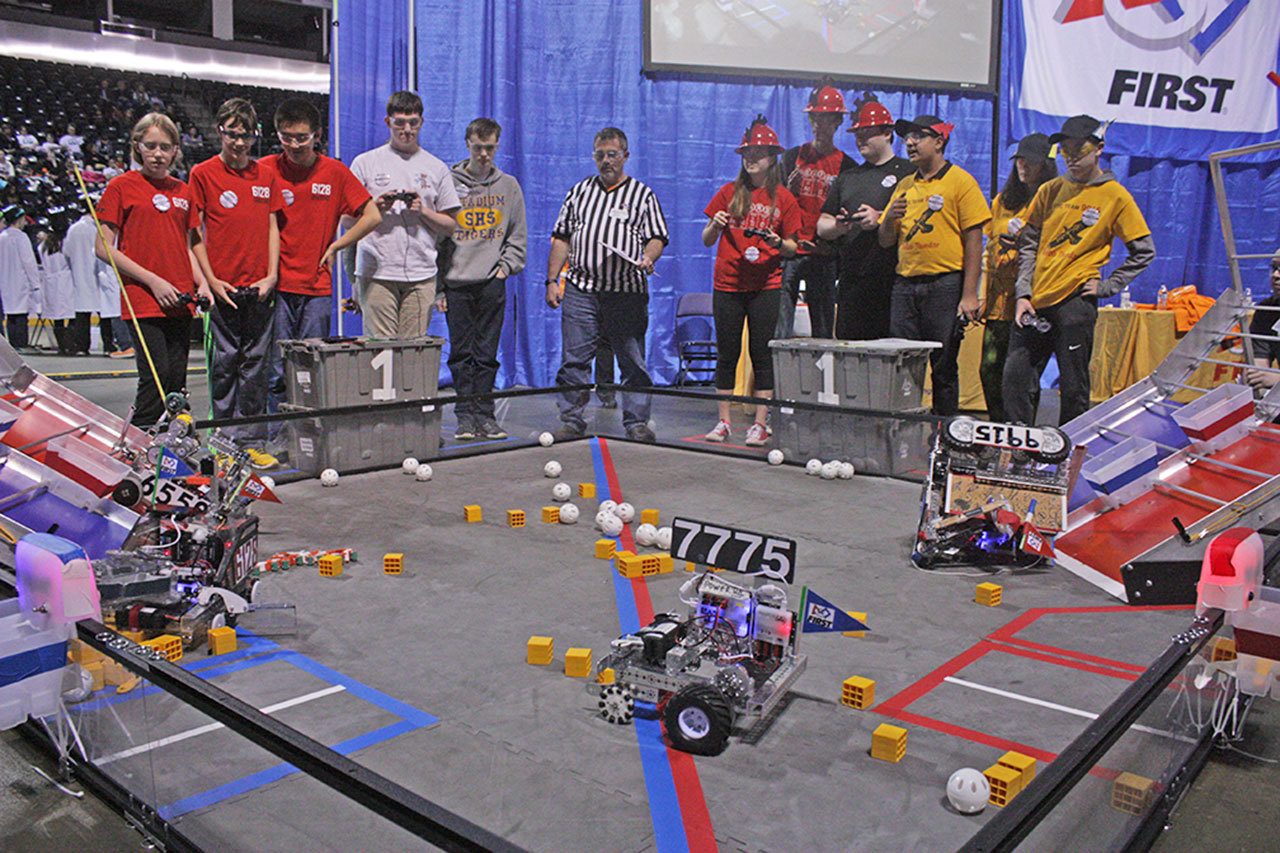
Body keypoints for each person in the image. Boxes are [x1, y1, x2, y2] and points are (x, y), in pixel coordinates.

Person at [1004, 115, 1155, 426]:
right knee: (1016, 377)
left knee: (1074, 385)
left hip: (1075, 302)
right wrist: (1023, 293)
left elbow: (1144, 251)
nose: (1071, 158)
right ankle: (1020, 447)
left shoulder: (1115, 196)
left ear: (1098, 149)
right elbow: (1029, 244)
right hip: (1037, 300)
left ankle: (1070, 450)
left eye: (1078, 150)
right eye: (1065, 151)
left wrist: (1108, 286)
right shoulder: (1050, 190)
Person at [260, 98, 380, 424]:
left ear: (317, 135)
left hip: (316, 288)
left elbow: (372, 215)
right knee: (276, 369)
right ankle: (278, 437)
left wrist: (337, 245)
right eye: (286, 137)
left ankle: (310, 434)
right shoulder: (265, 169)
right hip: (276, 288)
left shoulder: (336, 172)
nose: (294, 145)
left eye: (301, 137)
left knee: (311, 366)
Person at [546, 127, 669, 442]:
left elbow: (657, 236)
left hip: (626, 292)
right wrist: (551, 280)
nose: (605, 161)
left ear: (625, 156)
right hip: (581, 289)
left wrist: (648, 257)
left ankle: (637, 422)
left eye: (612, 154)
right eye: (599, 155)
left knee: (632, 361)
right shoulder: (579, 192)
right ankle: (572, 419)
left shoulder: (642, 195)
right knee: (574, 359)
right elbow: (561, 238)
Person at [189, 98, 285, 467]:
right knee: (224, 366)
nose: (239, 143)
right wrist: (210, 281)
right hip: (222, 292)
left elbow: (273, 226)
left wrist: (272, 275)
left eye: (245, 135)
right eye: (232, 134)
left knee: (257, 367)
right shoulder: (203, 173)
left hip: (259, 289)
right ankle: (224, 445)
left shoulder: (266, 175)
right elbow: (193, 233)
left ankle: (252, 442)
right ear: (220, 132)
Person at [877, 113, 990, 416]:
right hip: (905, 285)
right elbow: (886, 240)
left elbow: (975, 241)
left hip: (945, 285)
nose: (910, 143)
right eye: (907, 137)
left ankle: (943, 433)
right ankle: (903, 429)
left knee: (943, 365)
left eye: (918, 136)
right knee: (902, 363)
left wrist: (969, 294)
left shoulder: (961, 182)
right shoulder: (904, 185)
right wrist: (888, 219)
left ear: (939, 141)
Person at [94, 112, 202, 427]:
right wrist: (154, 282)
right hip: (143, 299)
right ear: (137, 146)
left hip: (181, 299)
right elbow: (103, 247)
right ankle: (134, 447)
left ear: (176, 150)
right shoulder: (120, 186)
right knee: (155, 382)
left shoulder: (183, 191)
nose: (158, 153)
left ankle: (174, 452)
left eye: (165, 147)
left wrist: (203, 284)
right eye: (151, 145)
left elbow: (188, 246)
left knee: (176, 387)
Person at [701, 116, 800, 446]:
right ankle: (724, 421)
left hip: (765, 286)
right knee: (727, 353)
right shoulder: (729, 192)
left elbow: (792, 246)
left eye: (759, 152)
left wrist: (776, 243)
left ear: (772, 157)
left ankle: (760, 423)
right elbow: (705, 239)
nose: (752, 158)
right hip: (728, 284)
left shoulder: (783, 198)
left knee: (762, 354)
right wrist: (715, 226)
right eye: (747, 152)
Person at [441, 117, 527, 441]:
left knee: (487, 352)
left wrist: (505, 267)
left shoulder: (508, 186)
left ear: (497, 146)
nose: (484, 154)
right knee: (461, 353)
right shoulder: (449, 182)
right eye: (478, 147)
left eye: (489, 148)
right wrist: (439, 287)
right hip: (457, 280)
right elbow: (438, 238)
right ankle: (465, 415)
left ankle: (486, 415)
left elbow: (517, 233)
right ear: (468, 145)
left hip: (492, 279)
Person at [350, 91, 461, 339]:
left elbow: (451, 226)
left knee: (411, 357)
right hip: (376, 272)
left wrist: (422, 211)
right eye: (399, 122)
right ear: (388, 122)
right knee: (379, 353)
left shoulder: (436, 167)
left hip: (421, 274)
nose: (407, 129)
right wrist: (375, 209)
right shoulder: (365, 163)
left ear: (421, 122)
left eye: (413, 123)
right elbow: (347, 221)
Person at [816, 94, 913, 340]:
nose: (860, 139)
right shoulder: (848, 177)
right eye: (858, 134)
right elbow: (822, 225)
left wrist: (880, 218)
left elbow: (919, 216)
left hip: (894, 282)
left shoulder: (908, 173)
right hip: (853, 282)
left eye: (868, 133)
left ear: (887, 134)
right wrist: (838, 227)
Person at [979, 133, 1056, 422]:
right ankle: (998, 429)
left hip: (1033, 300)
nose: (1023, 166)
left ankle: (1022, 434)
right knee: (989, 369)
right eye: (1019, 160)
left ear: (1045, 165)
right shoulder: (1003, 201)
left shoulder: (1053, 200)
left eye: (1031, 161)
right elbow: (988, 246)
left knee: (1022, 375)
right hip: (1000, 300)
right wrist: (980, 293)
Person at [776, 82, 854, 339]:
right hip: (790, 253)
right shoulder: (791, 158)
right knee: (780, 330)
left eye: (826, 119)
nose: (819, 125)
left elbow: (846, 220)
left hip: (824, 254)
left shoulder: (848, 167)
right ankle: (780, 377)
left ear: (837, 123)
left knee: (822, 330)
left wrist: (832, 248)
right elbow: (774, 206)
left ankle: (824, 378)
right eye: (815, 118)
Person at [0, 205, 41, 350]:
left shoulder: (2, 237)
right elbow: (28, 262)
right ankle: (22, 343)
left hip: (5, 282)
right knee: (21, 315)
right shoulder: (21, 237)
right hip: (20, 282)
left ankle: (13, 344)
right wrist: (35, 283)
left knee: (11, 314)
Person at [38, 224, 77, 355]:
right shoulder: (65, 244)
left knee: (57, 318)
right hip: (67, 280)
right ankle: (71, 344)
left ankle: (61, 346)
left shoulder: (43, 247)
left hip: (51, 283)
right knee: (72, 314)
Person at [1245, 248, 1280, 393]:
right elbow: (1260, 362)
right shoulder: (1266, 311)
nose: (1276, 275)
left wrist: (1277, 379)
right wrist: (1257, 375)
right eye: (1274, 268)